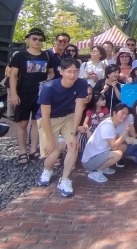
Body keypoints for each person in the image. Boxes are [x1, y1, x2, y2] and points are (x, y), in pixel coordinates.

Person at [36, 58, 88, 197]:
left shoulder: (82, 84)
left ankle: (64, 179)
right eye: (69, 71)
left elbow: (79, 109)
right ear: (61, 71)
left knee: (73, 145)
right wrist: (51, 140)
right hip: (49, 119)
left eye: (76, 71)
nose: (73, 75)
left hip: (68, 116)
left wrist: (73, 133)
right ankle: (48, 169)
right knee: (52, 156)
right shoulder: (49, 88)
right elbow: (45, 115)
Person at [9, 27, 54, 165]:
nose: (37, 41)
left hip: (40, 94)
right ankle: (22, 151)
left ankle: (33, 150)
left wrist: (48, 80)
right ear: (27, 39)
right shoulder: (20, 55)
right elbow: (13, 75)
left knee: (37, 122)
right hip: (23, 93)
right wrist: (14, 93)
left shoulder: (46, 55)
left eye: (40, 39)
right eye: (34, 38)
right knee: (22, 122)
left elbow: (51, 72)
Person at [81, 103, 130, 183]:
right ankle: (96, 172)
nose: (124, 116)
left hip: (99, 154)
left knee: (123, 146)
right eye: (122, 113)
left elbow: (116, 140)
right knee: (118, 154)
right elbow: (114, 146)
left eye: (126, 114)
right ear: (114, 113)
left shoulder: (112, 123)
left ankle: (103, 167)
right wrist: (125, 133)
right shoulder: (108, 125)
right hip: (89, 161)